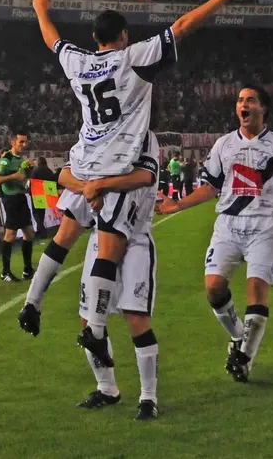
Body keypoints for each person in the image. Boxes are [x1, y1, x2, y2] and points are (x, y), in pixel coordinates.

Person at [29, 0, 249, 366]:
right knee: (108, 247)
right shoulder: (133, 59)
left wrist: (41, 9)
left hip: (84, 161)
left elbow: (53, 41)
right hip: (118, 166)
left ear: (95, 38)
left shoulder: (77, 61)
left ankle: (37, 303)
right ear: (123, 36)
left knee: (70, 234)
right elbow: (181, 27)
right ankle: (95, 332)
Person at [157, 85, 273, 383]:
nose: (243, 104)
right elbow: (210, 187)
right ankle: (239, 337)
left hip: (267, 224)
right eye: (239, 100)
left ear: (264, 109)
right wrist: (179, 204)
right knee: (213, 287)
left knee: (256, 291)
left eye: (250, 100)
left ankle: (244, 358)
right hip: (229, 224)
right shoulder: (223, 145)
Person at [57, 151, 161, 421]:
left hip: (135, 239)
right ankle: (107, 388)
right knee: (88, 319)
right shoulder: (100, 137)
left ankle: (149, 397)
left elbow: (144, 176)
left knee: (136, 318)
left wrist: (99, 185)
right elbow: (65, 174)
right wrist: (85, 186)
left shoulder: (143, 138)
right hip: (99, 237)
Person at [0, 131, 37, 282]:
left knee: (30, 233)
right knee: (10, 235)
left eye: (25, 142)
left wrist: (28, 171)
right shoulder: (6, 159)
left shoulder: (20, 159)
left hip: (20, 197)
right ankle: (5, 272)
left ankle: (27, 270)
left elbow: (22, 178)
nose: (24, 145)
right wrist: (14, 176)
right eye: (21, 142)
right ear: (13, 142)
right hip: (11, 199)